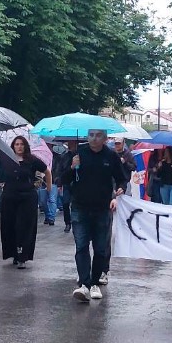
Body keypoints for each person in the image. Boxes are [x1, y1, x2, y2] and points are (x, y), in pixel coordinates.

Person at [60, 129, 128, 303]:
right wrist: (72, 167)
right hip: (80, 207)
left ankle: (95, 281)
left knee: (100, 248)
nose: (93, 138)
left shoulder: (110, 156)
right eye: (91, 135)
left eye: (98, 135)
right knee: (81, 246)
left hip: (102, 208)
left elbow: (121, 177)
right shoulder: (78, 153)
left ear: (105, 139)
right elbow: (64, 179)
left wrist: (121, 188)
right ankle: (84, 283)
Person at [0, 136, 49, 268]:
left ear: (25, 146)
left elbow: (46, 171)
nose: (19, 147)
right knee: (10, 226)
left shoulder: (32, 160)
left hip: (27, 197)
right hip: (10, 196)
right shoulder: (7, 160)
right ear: (13, 146)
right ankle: (14, 253)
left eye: (21, 144)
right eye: (16, 144)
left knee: (24, 227)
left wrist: (49, 188)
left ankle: (23, 256)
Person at [55, 141, 77, 233]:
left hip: (77, 184)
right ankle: (68, 223)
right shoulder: (64, 156)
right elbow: (60, 171)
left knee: (76, 205)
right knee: (65, 203)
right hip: (67, 183)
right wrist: (59, 184)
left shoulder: (81, 155)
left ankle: (75, 222)